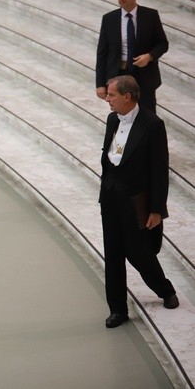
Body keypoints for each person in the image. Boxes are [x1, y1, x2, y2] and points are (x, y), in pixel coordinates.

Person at [99, 75, 179, 328]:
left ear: (127, 96)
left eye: (111, 95)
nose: (107, 99)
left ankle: (165, 290)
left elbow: (159, 170)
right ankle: (118, 310)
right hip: (111, 197)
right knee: (112, 255)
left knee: (138, 253)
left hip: (134, 201)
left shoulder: (153, 124)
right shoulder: (113, 119)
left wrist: (157, 209)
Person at [95, 0, 169, 113]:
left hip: (144, 75)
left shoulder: (150, 16)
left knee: (147, 114)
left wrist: (150, 56)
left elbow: (163, 44)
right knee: (121, 116)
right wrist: (100, 84)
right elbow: (102, 53)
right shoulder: (109, 19)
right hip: (119, 75)